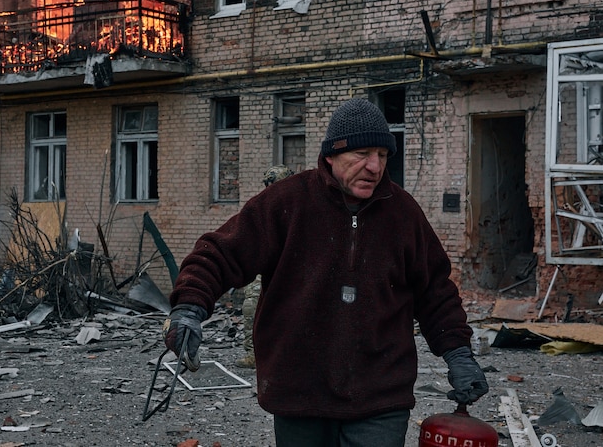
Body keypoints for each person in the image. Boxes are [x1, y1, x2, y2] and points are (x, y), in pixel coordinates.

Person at [162, 98, 488, 446]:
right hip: (299, 391)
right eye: (362, 154)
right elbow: (220, 253)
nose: (375, 166)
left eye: (382, 154)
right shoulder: (287, 203)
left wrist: (458, 354)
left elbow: (435, 292)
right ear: (331, 155)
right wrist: (190, 308)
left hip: (380, 395)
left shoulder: (403, 214)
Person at [236, 165, 294, 369]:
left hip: (291, 269)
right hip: (264, 267)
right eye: (269, 185)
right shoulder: (260, 207)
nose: (272, 189)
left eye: (276, 184)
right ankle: (253, 354)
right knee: (251, 306)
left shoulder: (301, 207)